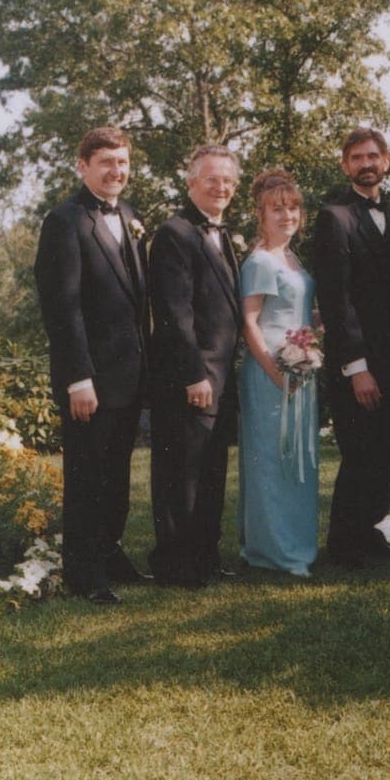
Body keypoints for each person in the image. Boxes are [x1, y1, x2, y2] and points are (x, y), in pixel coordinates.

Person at [34, 126, 149, 604]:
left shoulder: (132, 215)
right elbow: (62, 308)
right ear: (82, 166)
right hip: (90, 377)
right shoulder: (64, 221)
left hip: (129, 373)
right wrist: (78, 378)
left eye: (122, 162)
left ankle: (108, 551)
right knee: (87, 475)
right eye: (105, 162)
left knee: (116, 473)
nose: (115, 171)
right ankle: (84, 573)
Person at [148, 145, 243, 587]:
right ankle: (176, 564)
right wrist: (193, 375)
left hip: (220, 378)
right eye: (211, 178)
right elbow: (174, 313)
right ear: (191, 184)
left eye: (227, 180)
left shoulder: (223, 234)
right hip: (192, 378)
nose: (221, 186)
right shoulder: (175, 233)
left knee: (210, 472)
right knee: (182, 476)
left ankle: (205, 557)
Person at [313, 128, 390, 568]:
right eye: (356, 157)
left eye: (373, 156)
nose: (366, 164)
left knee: (383, 451)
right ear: (344, 164)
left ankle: (370, 532)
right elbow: (336, 300)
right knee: (358, 452)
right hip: (357, 359)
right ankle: (344, 544)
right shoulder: (334, 218)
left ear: (386, 161)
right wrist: (357, 366)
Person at [237, 169, 319, 579]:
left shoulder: (293, 258)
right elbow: (250, 322)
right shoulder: (260, 261)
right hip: (271, 368)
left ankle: (298, 542)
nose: (287, 216)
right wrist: (274, 371)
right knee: (272, 457)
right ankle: (275, 550)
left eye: (293, 208)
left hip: (301, 365)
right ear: (261, 215)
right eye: (277, 209)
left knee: (298, 454)